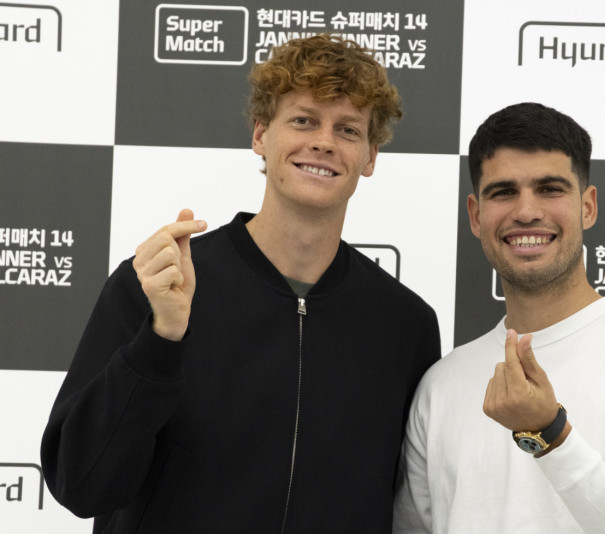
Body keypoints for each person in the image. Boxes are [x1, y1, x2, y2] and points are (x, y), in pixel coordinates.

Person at [41, 35, 440, 534]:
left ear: (370, 157)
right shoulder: (158, 287)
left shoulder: (403, 325)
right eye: (303, 120)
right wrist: (161, 339)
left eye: (348, 129)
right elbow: (81, 485)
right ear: (260, 136)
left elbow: (413, 507)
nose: (324, 141)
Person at [393, 102, 605, 533]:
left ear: (588, 206)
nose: (526, 211)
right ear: (475, 215)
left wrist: (549, 434)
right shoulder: (442, 384)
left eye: (550, 189)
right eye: (503, 192)